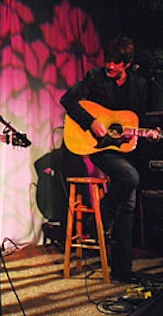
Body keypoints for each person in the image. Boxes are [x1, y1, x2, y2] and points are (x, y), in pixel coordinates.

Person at [60, 36, 160, 283]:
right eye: (108, 60)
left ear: (127, 64)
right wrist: (91, 121)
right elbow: (68, 100)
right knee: (130, 178)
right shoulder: (95, 77)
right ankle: (102, 211)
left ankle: (122, 269)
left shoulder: (140, 83)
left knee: (128, 204)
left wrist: (151, 133)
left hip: (124, 150)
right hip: (98, 147)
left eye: (116, 62)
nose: (110, 66)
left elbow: (139, 119)